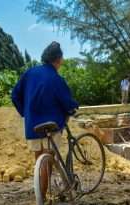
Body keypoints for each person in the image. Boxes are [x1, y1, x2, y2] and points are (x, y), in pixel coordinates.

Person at [12, 41, 78, 197]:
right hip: (52, 125)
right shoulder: (56, 79)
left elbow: (15, 95)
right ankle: (42, 198)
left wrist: (25, 113)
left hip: (32, 125)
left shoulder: (29, 73)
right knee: (48, 160)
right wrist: (73, 108)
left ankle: (41, 196)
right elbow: (67, 102)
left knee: (39, 160)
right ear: (58, 59)